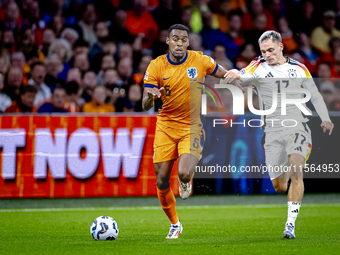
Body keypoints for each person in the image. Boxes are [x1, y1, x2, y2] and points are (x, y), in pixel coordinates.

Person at [224, 30, 334, 239]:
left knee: (296, 169)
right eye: (263, 51)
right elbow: (244, 72)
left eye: (271, 50)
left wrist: (325, 118)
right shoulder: (258, 67)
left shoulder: (299, 68)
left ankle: (289, 225)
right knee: (279, 186)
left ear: (281, 47)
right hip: (272, 133)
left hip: (297, 127)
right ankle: (285, 187)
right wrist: (235, 73)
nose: (267, 55)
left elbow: (316, 95)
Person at [142, 24, 234, 239]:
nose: (180, 43)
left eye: (184, 39)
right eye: (175, 39)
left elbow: (222, 73)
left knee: (183, 172)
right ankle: (175, 224)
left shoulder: (199, 60)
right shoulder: (156, 66)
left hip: (191, 126)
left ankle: (186, 180)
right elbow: (145, 104)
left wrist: (235, 77)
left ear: (188, 43)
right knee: (162, 180)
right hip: (165, 125)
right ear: (168, 41)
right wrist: (150, 96)